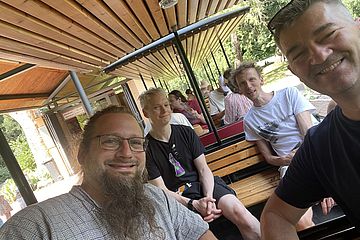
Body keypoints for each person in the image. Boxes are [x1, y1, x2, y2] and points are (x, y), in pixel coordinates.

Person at [0, 106, 216, 240]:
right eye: (110, 141)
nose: (126, 153)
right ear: (82, 154)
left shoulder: (157, 198)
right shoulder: (34, 226)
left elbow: (199, 233)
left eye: (135, 142)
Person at [261, 0, 360, 238]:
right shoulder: (321, 146)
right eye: (299, 54)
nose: (318, 55)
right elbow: (275, 216)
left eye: (328, 33)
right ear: (295, 71)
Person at [139, 88, 261, 240]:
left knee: (242, 215)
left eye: (166, 105)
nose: (164, 110)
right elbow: (162, 190)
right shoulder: (145, 150)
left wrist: (209, 198)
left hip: (205, 186)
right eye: (157, 107)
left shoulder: (186, 132)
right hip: (177, 199)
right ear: (146, 113)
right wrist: (193, 204)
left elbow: (203, 169)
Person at [232, 62, 323, 230]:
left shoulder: (289, 94)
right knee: (300, 223)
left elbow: (310, 136)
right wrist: (282, 159)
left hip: (317, 153)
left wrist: (324, 178)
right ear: (238, 89)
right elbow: (268, 158)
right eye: (242, 83)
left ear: (261, 79)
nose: (249, 86)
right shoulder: (250, 120)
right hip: (291, 165)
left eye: (252, 79)